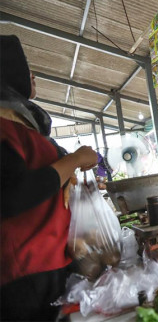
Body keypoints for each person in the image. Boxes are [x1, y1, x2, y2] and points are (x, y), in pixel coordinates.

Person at [0, 35, 98, 321]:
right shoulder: (4, 127)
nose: (32, 75)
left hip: (48, 262)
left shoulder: (19, 123)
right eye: (24, 66)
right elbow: (13, 196)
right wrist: (75, 160)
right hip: (25, 273)